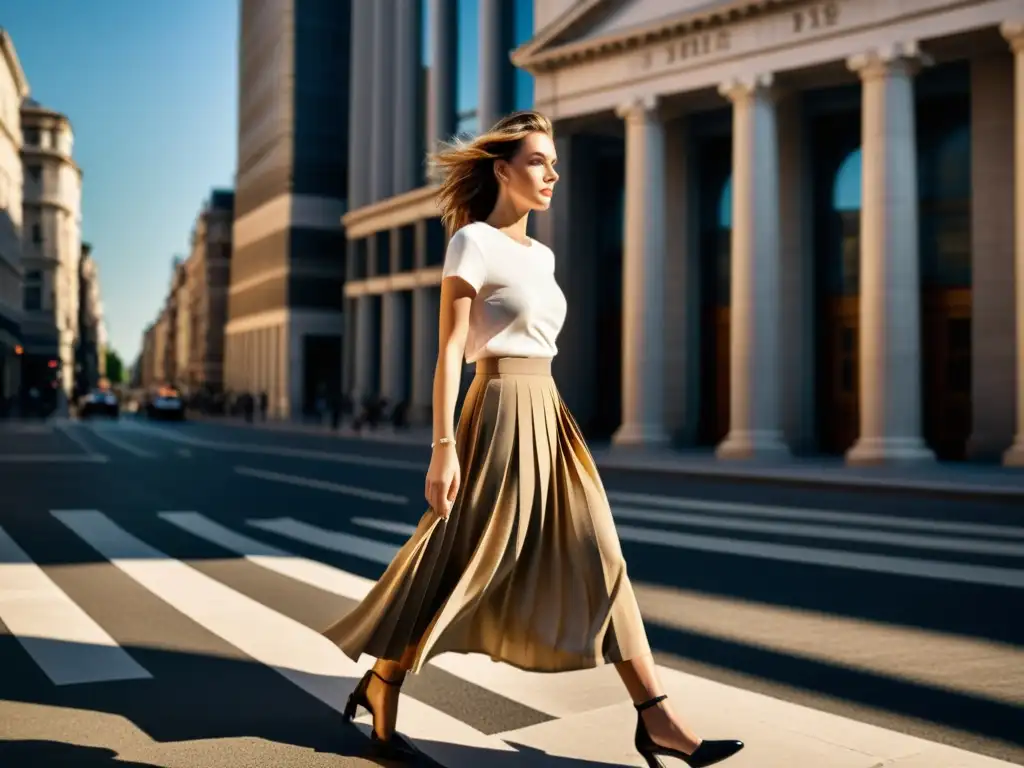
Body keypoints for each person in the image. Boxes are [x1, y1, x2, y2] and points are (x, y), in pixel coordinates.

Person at [322, 110, 744, 767]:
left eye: (553, 162)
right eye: (539, 161)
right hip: (495, 410)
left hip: (549, 413)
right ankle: (384, 682)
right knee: (453, 561)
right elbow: (450, 351)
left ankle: (655, 717)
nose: (552, 173)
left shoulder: (542, 255)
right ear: (503, 170)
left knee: (602, 552)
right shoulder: (472, 243)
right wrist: (442, 447)